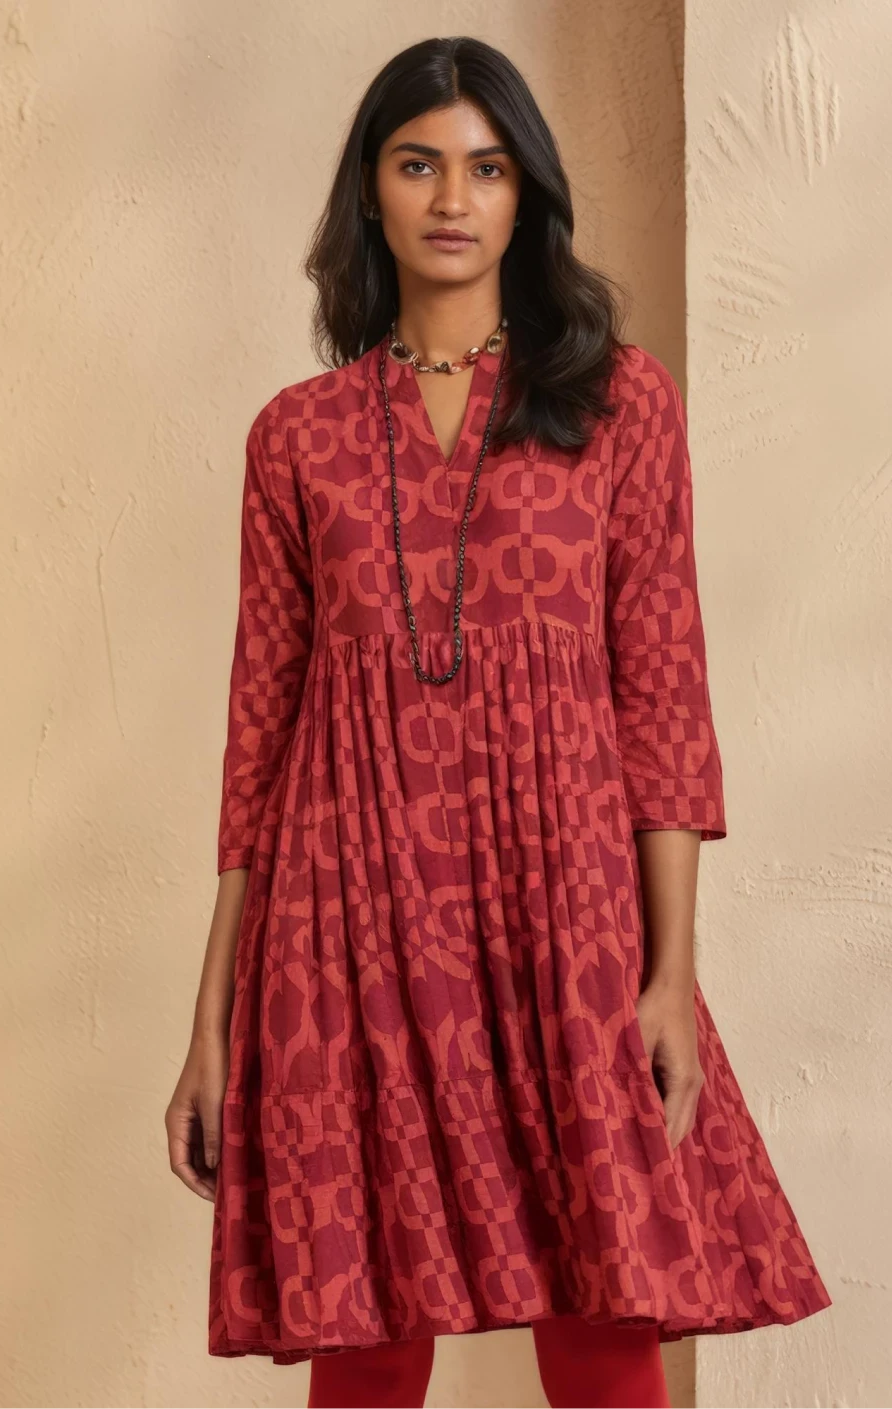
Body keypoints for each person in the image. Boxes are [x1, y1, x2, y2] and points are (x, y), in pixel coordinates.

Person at [166, 34, 831, 1409]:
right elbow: (260, 744)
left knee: (605, 1316)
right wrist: (214, 1022)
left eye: (487, 167)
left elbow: (663, 696)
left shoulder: (619, 405)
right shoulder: (296, 438)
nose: (453, 198)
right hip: (346, 918)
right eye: (419, 165)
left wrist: (669, 973)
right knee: (363, 1332)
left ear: (528, 194)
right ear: (371, 191)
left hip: (563, 907)